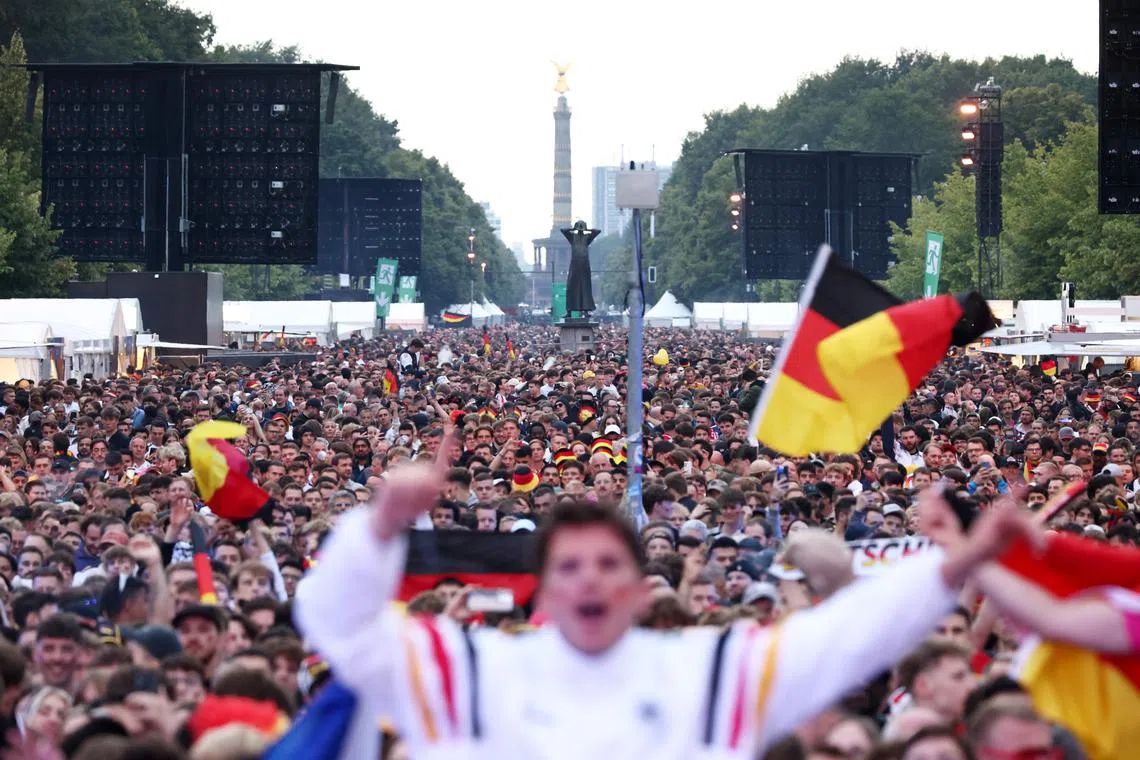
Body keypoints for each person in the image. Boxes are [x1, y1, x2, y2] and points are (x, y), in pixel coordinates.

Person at [297, 446, 1031, 757]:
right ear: (544, 587)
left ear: (637, 584)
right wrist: (383, 523)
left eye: (607, 564)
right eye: (570, 566)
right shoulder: (467, 671)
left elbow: (849, 638)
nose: (589, 579)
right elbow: (339, 626)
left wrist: (956, 562)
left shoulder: (707, 673)